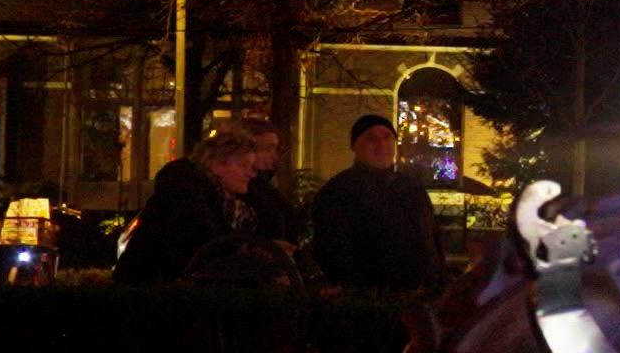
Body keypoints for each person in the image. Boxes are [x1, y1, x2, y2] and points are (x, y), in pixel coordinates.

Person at [117, 117, 282, 284]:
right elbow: (199, 257)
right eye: (243, 166)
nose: (251, 174)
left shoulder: (223, 202)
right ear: (217, 165)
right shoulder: (188, 197)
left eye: (252, 167)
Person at [309, 112, 446, 292]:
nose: (381, 145)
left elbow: (431, 236)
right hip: (372, 298)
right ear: (355, 146)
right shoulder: (339, 191)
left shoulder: (412, 187)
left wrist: (437, 278)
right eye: (371, 139)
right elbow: (332, 249)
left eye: (387, 137)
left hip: (421, 295)